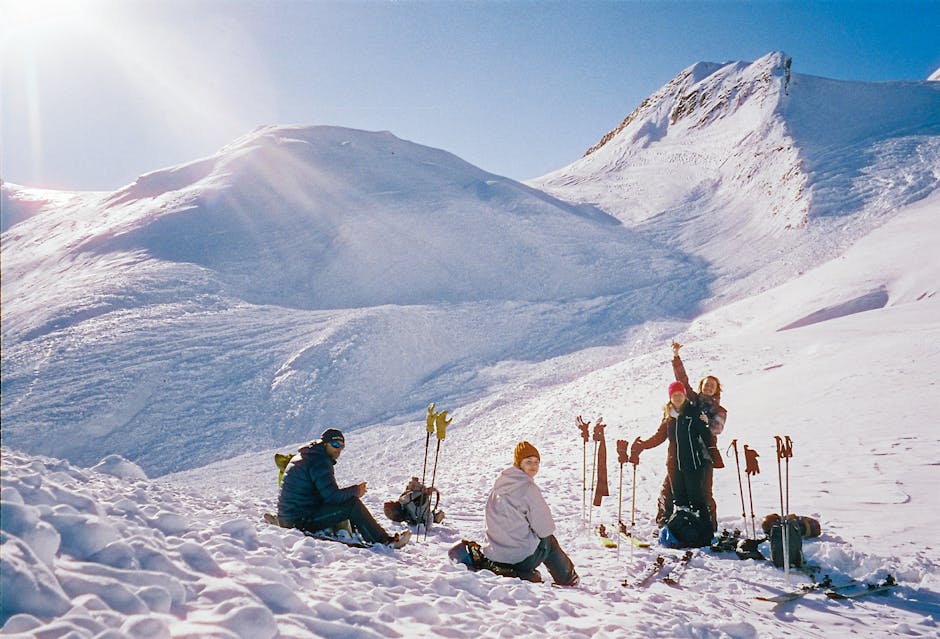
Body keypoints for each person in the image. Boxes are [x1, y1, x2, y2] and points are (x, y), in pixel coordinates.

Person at [277, 428, 411, 549]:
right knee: (352, 505)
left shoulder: (310, 455)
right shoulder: (320, 461)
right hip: (299, 521)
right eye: (335, 445)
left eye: (342, 446)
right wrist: (356, 491)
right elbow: (332, 497)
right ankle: (384, 542)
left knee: (344, 502)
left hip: (290, 515)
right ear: (325, 444)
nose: (338, 449)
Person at [481, 441, 579, 586]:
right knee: (549, 541)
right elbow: (546, 529)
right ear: (519, 463)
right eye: (528, 462)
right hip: (519, 558)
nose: (533, 466)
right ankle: (568, 578)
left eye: (536, 462)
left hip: (494, 554)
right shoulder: (528, 488)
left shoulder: (498, 487)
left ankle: (524, 574)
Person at [652, 341, 726, 531]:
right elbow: (681, 381)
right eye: (706, 384)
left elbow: (716, 429)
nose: (709, 387)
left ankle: (709, 527)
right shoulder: (692, 400)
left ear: (716, 389)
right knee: (669, 489)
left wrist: (705, 422)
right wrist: (676, 357)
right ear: (701, 386)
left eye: (712, 385)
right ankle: (664, 522)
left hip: (703, 456)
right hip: (681, 454)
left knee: (704, 493)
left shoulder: (719, 410)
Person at [632, 382, 714, 533]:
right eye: (674, 395)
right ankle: (683, 532)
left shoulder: (694, 413)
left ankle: (706, 532)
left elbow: (707, 436)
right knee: (680, 499)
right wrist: (643, 445)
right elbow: (659, 437)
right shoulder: (668, 418)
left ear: (684, 395)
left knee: (697, 499)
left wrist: (714, 455)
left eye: (680, 394)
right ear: (670, 397)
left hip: (693, 464)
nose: (677, 397)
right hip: (674, 465)